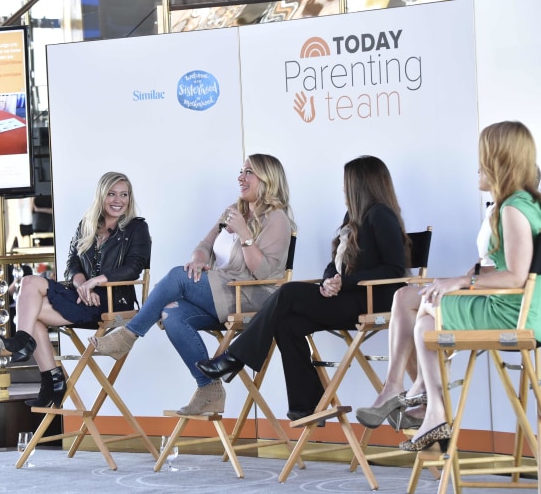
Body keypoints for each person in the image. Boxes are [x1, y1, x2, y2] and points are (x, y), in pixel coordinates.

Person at [356, 121, 541, 453]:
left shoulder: (514, 208)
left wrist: (460, 281)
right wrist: (472, 273)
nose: (478, 165)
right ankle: (420, 402)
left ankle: (418, 398)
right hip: (502, 301)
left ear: (498, 159)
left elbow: (515, 276)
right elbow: (502, 264)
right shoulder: (514, 205)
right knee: (416, 307)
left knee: (425, 304)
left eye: (483, 156)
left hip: (512, 311)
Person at [196, 155, 410, 422]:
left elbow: (394, 270)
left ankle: (234, 357)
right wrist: (329, 279)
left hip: (373, 301)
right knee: (287, 323)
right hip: (348, 296)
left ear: (361, 184)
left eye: (347, 183)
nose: (344, 190)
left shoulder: (381, 215)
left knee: (287, 292)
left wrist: (347, 282)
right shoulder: (353, 216)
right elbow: (337, 263)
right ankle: (307, 405)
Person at [91, 154, 295, 415]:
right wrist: (198, 259)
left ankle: (129, 335)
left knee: (178, 276)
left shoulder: (276, 219)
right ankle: (209, 388)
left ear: (268, 179)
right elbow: (205, 245)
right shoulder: (234, 211)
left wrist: (245, 234)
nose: (240, 178)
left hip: (249, 297)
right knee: (171, 313)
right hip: (221, 291)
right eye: (241, 171)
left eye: (248, 173)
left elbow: (264, 273)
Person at [0, 172, 151, 408]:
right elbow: (71, 265)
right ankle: (47, 373)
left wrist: (95, 281)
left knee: (31, 304)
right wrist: (82, 285)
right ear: (101, 196)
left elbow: (134, 268)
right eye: (112, 194)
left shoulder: (136, 228)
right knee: (29, 285)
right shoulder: (86, 225)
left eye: (124, 194)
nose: (118, 200)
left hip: (113, 302)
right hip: (82, 297)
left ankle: (45, 372)